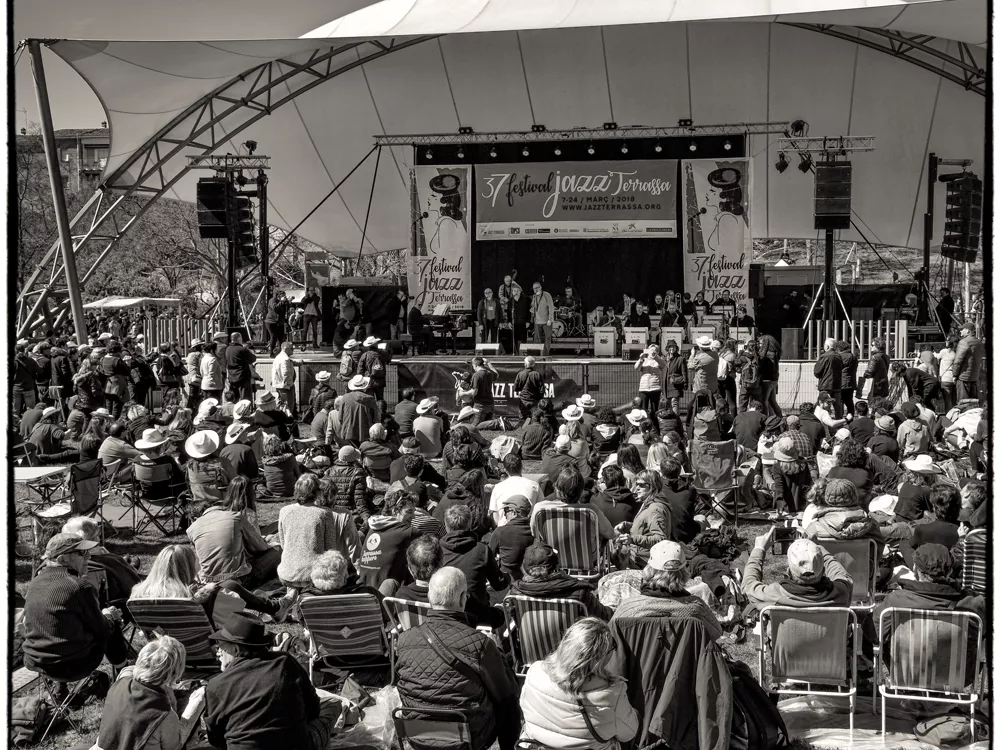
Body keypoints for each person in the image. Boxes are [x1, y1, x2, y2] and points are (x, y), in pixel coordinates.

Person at [394, 567, 521, 750]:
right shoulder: (480, 644)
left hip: (418, 736)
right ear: (463, 599)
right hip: (468, 739)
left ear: (430, 598)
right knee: (508, 700)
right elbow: (506, 695)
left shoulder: (404, 640)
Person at [205, 613, 346, 750]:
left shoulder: (215, 685)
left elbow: (216, 739)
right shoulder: (285, 662)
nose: (218, 652)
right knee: (333, 704)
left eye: (221, 646)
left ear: (235, 648)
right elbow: (313, 710)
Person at [22, 533, 128, 683]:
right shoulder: (79, 586)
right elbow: (102, 630)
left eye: (87, 552)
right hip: (71, 666)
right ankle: (124, 673)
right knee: (111, 623)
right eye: (81, 553)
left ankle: (60, 688)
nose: (88, 557)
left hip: (36, 661)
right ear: (62, 559)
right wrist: (109, 616)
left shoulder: (35, 582)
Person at [874, 544, 984, 683]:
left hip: (906, 672)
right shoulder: (972, 603)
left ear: (915, 570)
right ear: (950, 571)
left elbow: (875, 633)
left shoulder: (896, 601)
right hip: (959, 677)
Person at [132, 544, 288, 628]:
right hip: (206, 647)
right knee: (229, 585)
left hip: (162, 650)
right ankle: (276, 606)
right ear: (187, 568)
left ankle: (275, 606)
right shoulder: (191, 601)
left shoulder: (139, 596)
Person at [92, 635, 188, 750]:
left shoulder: (120, 682)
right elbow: (174, 748)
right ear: (174, 674)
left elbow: (128, 670)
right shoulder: (164, 715)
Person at [611, 540, 723, 638]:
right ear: (684, 572)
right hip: (684, 662)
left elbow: (612, 637)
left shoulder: (628, 609)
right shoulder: (696, 608)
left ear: (649, 570)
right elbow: (717, 633)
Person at [276, 474, 350, 597]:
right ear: (318, 492)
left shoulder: (284, 511)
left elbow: (284, 544)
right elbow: (330, 551)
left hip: (286, 573)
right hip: (313, 576)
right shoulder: (324, 514)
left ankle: (291, 596)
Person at [741, 532, 852, 613]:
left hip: (784, 646)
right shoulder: (841, 592)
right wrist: (815, 548)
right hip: (831, 645)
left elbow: (748, 585)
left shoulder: (774, 596)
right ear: (823, 570)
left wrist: (759, 550)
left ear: (788, 572)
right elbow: (840, 573)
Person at [440, 504, 507, 627]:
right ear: (469, 523)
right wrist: (509, 577)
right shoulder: (482, 550)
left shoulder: (438, 549)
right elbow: (498, 584)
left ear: (446, 525)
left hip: (445, 614)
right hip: (477, 615)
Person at [358, 490, 422, 594]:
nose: (414, 516)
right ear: (395, 511)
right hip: (385, 597)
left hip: (363, 591)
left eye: (414, 512)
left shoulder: (374, 526)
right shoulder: (408, 532)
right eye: (409, 512)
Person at [489, 453, 541, 525]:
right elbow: (541, 510)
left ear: (505, 469)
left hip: (503, 531)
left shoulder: (497, 488)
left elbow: (495, 519)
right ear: (521, 466)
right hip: (528, 530)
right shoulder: (534, 485)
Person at [910, 484, 961, 551]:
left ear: (934, 507)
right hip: (953, 558)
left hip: (929, 559)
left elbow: (912, 544)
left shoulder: (921, 529)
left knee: (904, 544)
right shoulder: (962, 531)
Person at [770, 438, 812, 514]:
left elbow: (779, 486)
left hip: (785, 505)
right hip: (801, 503)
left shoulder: (777, 466)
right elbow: (808, 483)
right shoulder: (803, 464)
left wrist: (779, 503)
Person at [338, 375, 379, 447]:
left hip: (349, 433)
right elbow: (376, 419)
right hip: (366, 434)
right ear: (364, 386)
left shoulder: (345, 398)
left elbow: (340, 418)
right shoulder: (370, 399)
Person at [814, 338, 844, 418]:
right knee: (838, 408)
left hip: (825, 385)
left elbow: (817, 372)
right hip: (837, 385)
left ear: (827, 346)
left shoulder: (824, 356)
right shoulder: (839, 356)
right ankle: (839, 425)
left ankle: (824, 424)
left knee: (823, 407)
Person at [225, 333, 258, 402]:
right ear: (238, 339)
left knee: (234, 399)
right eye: (241, 339)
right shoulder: (241, 349)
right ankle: (245, 412)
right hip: (243, 377)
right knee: (245, 400)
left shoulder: (228, 349)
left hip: (232, 377)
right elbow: (253, 359)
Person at [756, 331, 783, 418]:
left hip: (767, 379)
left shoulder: (767, 355)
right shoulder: (775, 353)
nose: (759, 345)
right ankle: (780, 418)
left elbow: (762, 366)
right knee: (772, 401)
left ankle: (765, 419)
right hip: (774, 380)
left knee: (764, 400)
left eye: (760, 343)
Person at [686, 336, 719, 403]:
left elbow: (690, 366)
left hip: (700, 387)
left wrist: (692, 355)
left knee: (699, 405)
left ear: (700, 347)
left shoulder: (699, 358)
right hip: (713, 385)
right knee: (711, 403)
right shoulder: (715, 355)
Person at [513, 356, 545, 421]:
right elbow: (542, 390)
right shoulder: (537, 374)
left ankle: (524, 430)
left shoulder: (520, 374)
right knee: (535, 419)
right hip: (534, 401)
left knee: (522, 420)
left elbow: (515, 388)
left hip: (523, 400)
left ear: (526, 364)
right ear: (534, 364)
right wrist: (538, 398)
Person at [269, 341, 297, 414]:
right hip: (286, 386)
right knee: (288, 405)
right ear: (285, 349)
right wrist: (290, 385)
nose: (293, 350)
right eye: (291, 348)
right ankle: (288, 421)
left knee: (282, 404)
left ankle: (284, 420)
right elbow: (286, 373)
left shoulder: (279, 357)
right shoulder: (285, 359)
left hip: (280, 385)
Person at [531, 280, 555, 356]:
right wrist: (532, 309)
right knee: (537, 339)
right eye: (534, 288)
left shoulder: (546, 295)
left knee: (547, 339)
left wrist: (550, 319)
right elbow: (533, 306)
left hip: (546, 321)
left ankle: (546, 354)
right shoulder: (534, 296)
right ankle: (538, 354)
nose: (536, 289)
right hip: (537, 321)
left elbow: (551, 307)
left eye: (537, 287)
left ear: (541, 287)